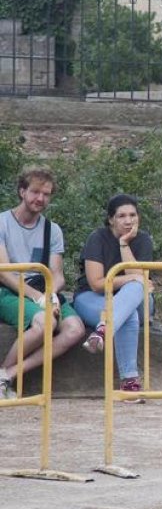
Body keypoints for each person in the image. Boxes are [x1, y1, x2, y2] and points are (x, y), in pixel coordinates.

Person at [0, 168, 85, 400]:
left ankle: (8, 373)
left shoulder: (52, 229)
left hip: (42, 288)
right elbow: (4, 273)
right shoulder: (2, 223)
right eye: (35, 192)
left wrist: (51, 295)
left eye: (46, 194)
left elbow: (57, 274)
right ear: (22, 191)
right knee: (45, 322)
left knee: (75, 329)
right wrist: (37, 297)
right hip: (9, 290)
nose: (40, 198)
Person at [73, 194, 154, 398]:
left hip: (136, 300)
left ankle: (104, 328)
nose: (128, 221)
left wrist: (124, 244)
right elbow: (97, 284)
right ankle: (130, 382)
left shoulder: (143, 239)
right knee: (128, 314)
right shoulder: (97, 238)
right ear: (111, 219)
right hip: (93, 298)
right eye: (121, 216)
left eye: (133, 215)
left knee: (135, 289)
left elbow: (139, 281)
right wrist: (131, 278)